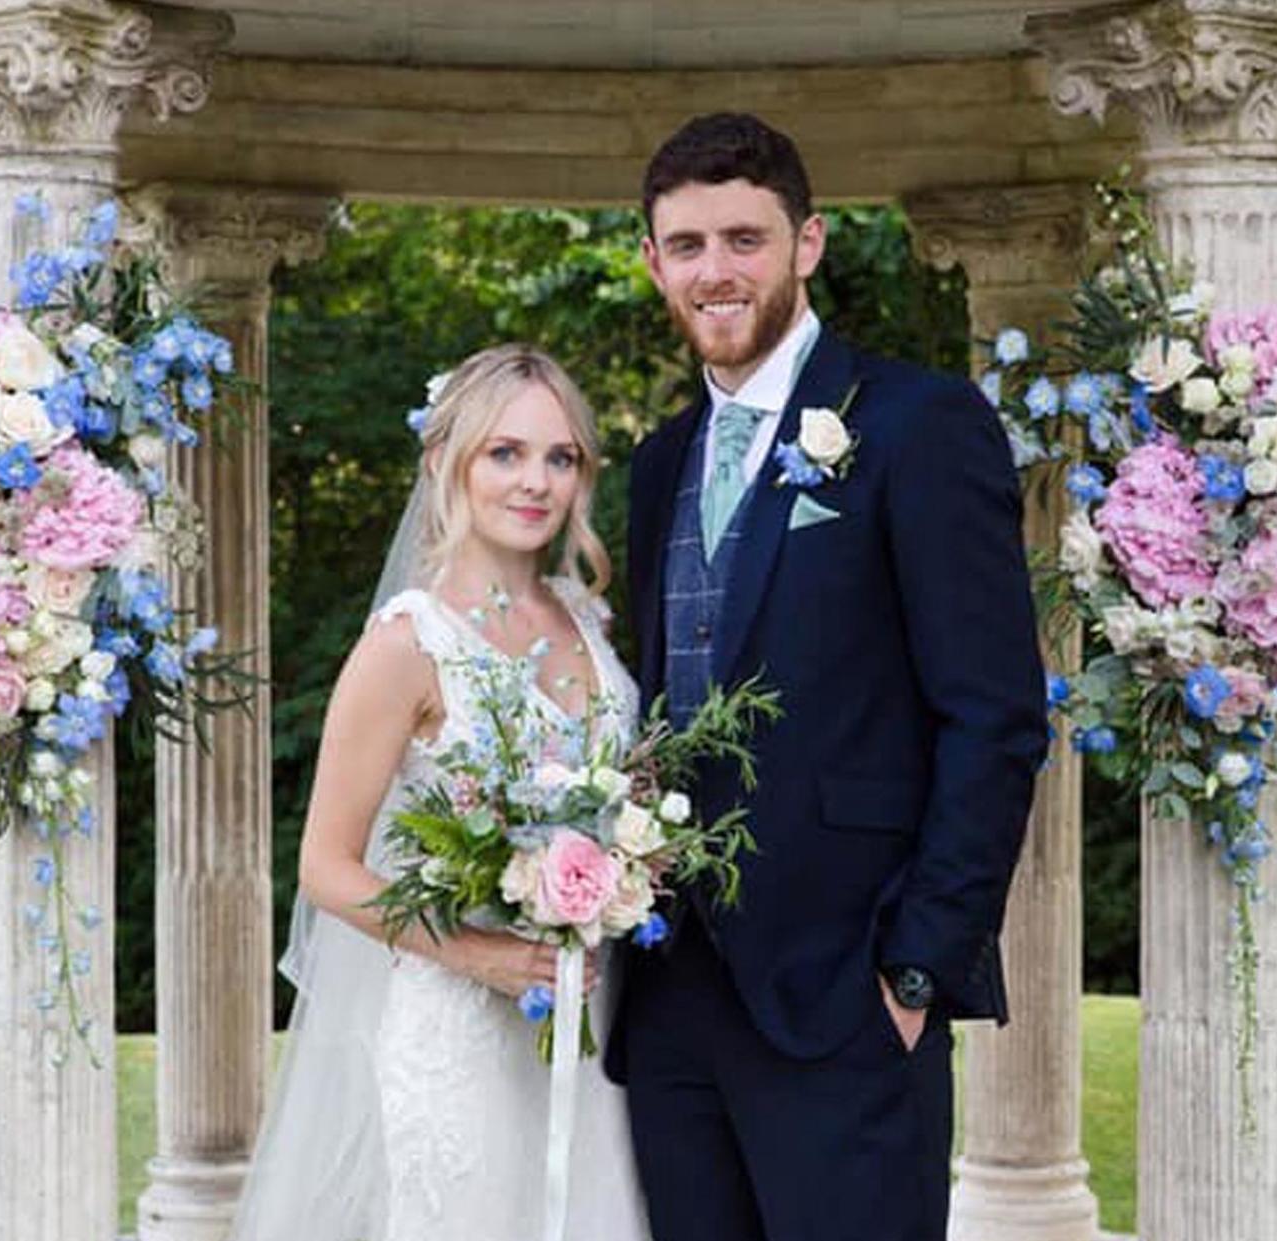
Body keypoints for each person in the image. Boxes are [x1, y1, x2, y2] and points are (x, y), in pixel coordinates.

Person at [608, 112, 1050, 1241]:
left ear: (805, 244)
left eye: (744, 239)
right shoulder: (658, 462)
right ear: (653, 259)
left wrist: (912, 971)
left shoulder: (918, 423)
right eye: (688, 244)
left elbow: (992, 718)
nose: (716, 271)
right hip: (668, 998)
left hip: (846, 990)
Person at [228, 345, 651, 1241]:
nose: (534, 480)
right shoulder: (407, 644)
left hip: (589, 1015)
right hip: (458, 1024)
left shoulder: (589, 618)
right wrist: (476, 953)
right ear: (446, 462)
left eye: (560, 456)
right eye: (505, 452)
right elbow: (325, 868)